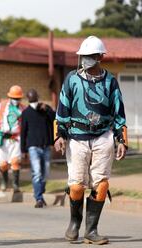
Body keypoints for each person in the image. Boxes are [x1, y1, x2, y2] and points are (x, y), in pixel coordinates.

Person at [55, 36, 127, 245]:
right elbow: (62, 109)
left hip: (103, 136)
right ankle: (74, 222)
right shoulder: (72, 79)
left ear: (100, 57)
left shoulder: (110, 81)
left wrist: (121, 139)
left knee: (101, 184)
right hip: (77, 136)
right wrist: (60, 135)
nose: (86, 59)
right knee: (77, 185)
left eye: (90, 56)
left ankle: (91, 230)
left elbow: (119, 112)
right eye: (83, 56)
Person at [20, 89, 55, 208]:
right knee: (37, 173)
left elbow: (55, 119)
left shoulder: (44, 109)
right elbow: (23, 132)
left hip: (45, 146)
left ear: (38, 97)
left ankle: (40, 191)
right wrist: (23, 150)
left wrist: (48, 110)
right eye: (30, 96)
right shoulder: (26, 113)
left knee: (46, 173)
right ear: (28, 98)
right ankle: (38, 198)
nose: (33, 98)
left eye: (34, 96)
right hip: (33, 147)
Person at [0, 85, 25, 192]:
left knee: (15, 162)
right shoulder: (2, 106)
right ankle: (4, 181)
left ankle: (16, 184)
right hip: (3, 139)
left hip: (16, 138)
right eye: (14, 98)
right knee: (2, 163)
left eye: (18, 99)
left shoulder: (23, 109)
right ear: (10, 97)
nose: (16, 100)